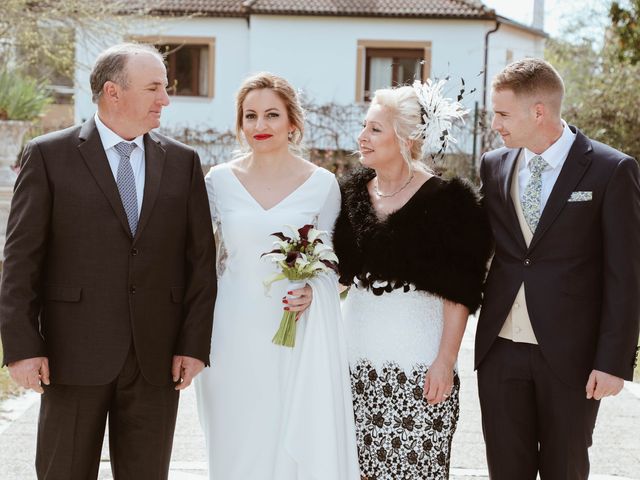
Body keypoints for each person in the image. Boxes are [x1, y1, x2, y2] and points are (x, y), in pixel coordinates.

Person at [0, 43, 216, 479]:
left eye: (166, 88)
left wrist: (193, 345)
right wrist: (23, 348)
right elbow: (20, 259)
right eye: (155, 88)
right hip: (71, 354)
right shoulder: (48, 155)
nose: (165, 99)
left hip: (157, 359)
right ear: (113, 92)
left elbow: (200, 262)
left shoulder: (183, 162)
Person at [476, 58, 640, 479]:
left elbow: (626, 274)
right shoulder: (494, 165)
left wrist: (614, 361)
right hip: (501, 350)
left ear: (538, 111)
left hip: (572, 357)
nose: (495, 123)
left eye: (502, 113)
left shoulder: (611, 169)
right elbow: (473, 241)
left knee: (564, 469)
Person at [195, 72, 359, 480]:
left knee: (289, 439)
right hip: (230, 331)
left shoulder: (322, 185)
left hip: (293, 333)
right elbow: (197, 259)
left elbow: (337, 265)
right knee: (235, 438)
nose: (259, 126)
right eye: (250, 116)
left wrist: (313, 289)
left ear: (292, 123)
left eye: (271, 115)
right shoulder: (218, 181)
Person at [333, 84, 492, 479]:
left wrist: (445, 362)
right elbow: (339, 272)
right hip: (355, 364)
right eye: (364, 127)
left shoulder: (450, 202)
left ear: (405, 139)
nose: (362, 137)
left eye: (375, 130)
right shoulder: (350, 193)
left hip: (419, 366)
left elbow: (459, 292)